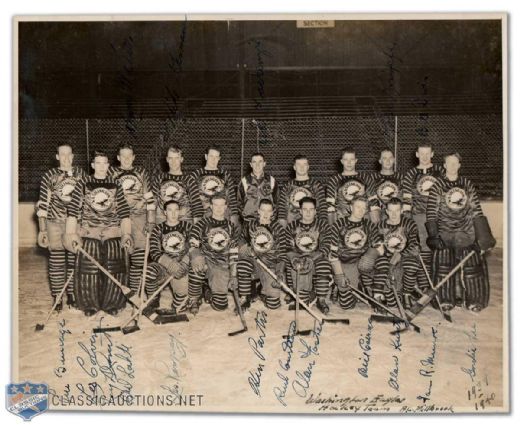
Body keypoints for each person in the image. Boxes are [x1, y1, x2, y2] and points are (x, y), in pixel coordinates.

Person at [63, 151, 132, 316]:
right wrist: (72, 234)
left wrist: (126, 234)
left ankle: (112, 303)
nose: (101, 167)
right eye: (98, 163)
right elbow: (73, 210)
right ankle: (89, 304)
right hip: (90, 232)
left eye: (104, 163)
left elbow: (124, 212)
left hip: (112, 232)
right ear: (93, 165)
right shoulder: (83, 183)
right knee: (89, 269)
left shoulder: (116, 184)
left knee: (115, 268)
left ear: (108, 165)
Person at [426, 153, 495, 312]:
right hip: (445, 232)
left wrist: (483, 236)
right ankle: (445, 299)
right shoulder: (438, 185)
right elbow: (431, 212)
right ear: (444, 165)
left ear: (459, 165)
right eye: (449, 163)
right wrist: (434, 235)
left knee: (472, 266)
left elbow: (476, 210)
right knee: (443, 265)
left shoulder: (466, 184)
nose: (452, 166)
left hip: (466, 232)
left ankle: (475, 299)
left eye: (455, 163)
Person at [36, 143, 85, 310]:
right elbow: (43, 204)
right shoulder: (49, 175)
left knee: (74, 259)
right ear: (57, 156)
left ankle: (71, 294)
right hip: (54, 222)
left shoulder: (80, 175)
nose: (65, 158)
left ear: (73, 156)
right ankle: (57, 296)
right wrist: (42, 229)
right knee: (56, 260)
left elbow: (86, 201)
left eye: (69, 154)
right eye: (62, 155)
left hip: (74, 223)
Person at [108, 142, 155, 293]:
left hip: (139, 217)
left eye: (129, 156)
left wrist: (151, 220)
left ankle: (136, 292)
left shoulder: (141, 172)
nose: (126, 159)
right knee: (117, 257)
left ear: (134, 157)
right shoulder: (111, 173)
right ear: (118, 157)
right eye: (123, 156)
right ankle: (116, 293)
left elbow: (150, 198)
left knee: (139, 258)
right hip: (118, 217)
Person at [402, 143, 445, 292]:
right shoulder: (411, 174)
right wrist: (407, 219)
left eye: (428, 153)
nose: (425, 157)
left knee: (442, 251)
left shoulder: (440, 171)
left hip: (439, 216)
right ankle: (425, 286)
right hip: (420, 216)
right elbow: (407, 199)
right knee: (424, 251)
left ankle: (443, 287)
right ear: (417, 155)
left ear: (432, 154)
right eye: (422, 153)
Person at [329, 197, 385, 310]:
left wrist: (369, 256)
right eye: (358, 207)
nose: (361, 211)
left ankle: (377, 295)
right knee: (347, 305)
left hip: (363, 261)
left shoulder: (369, 224)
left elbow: (381, 249)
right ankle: (354, 287)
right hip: (346, 263)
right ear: (351, 207)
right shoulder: (339, 224)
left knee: (382, 261)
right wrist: (339, 275)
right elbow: (332, 254)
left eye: (364, 208)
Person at [187, 194, 240, 313]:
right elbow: (192, 239)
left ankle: (207, 290)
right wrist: (196, 255)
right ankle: (194, 297)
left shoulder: (231, 226)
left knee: (220, 306)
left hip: (222, 265)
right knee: (196, 265)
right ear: (211, 206)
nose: (219, 208)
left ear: (226, 207)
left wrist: (233, 274)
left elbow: (233, 251)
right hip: (206, 261)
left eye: (222, 205)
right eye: (216, 205)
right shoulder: (203, 223)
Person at [282, 196, 331, 314]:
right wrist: (295, 258)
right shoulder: (291, 226)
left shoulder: (322, 225)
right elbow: (288, 248)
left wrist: (312, 257)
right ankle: (298, 294)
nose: (308, 212)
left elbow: (325, 246)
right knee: (291, 263)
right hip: (298, 258)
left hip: (316, 258)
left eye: (311, 209)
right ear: (300, 211)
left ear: (315, 211)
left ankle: (321, 299)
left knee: (324, 263)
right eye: (305, 209)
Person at [236, 199, 286, 310]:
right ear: (258, 211)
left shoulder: (279, 229)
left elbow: (282, 254)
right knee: (243, 263)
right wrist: (247, 248)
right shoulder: (250, 225)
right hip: (253, 262)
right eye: (263, 210)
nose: (265, 214)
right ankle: (244, 297)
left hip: (269, 265)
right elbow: (240, 242)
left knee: (273, 304)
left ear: (273, 212)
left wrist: (280, 272)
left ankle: (260, 290)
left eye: (269, 211)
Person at [145, 200, 191, 314]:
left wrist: (184, 264)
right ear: (165, 212)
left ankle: (180, 302)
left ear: (179, 211)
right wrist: (169, 263)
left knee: (180, 306)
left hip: (181, 266)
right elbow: (154, 252)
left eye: (176, 210)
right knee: (149, 271)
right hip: (164, 267)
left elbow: (194, 247)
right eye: (170, 210)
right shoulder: (158, 229)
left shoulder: (187, 226)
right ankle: (153, 300)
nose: (173, 213)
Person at [378, 197, 420, 309]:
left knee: (412, 265)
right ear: (386, 211)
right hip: (389, 259)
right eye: (391, 211)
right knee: (393, 304)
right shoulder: (381, 225)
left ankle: (407, 294)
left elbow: (414, 245)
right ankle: (390, 293)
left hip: (405, 256)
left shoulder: (410, 223)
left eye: (397, 210)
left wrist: (400, 255)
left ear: (402, 210)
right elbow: (378, 245)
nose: (394, 214)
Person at [190, 145, 240, 228]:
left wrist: (234, 218)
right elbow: (192, 199)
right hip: (203, 213)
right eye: (211, 156)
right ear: (206, 157)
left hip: (222, 213)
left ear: (219, 158)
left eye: (216, 157)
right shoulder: (196, 175)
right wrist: (196, 217)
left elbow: (232, 199)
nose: (213, 160)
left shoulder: (225, 174)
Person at [152, 145, 204, 224]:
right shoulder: (160, 178)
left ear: (181, 159)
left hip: (183, 221)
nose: (173, 162)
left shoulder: (189, 180)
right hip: (163, 221)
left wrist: (196, 228)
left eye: (176, 158)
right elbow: (152, 201)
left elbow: (197, 206)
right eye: (171, 158)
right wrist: (150, 222)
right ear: (167, 159)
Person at [326, 148, 373, 225]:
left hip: (363, 219)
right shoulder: (334, 180)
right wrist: (333, 228)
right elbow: (330, 206)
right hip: (342, 220)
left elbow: (373, 204)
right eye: (346, 159)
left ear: (356, 160)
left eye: (352, 159)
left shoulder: (365, 178)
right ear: (341, 161)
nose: (349, 162)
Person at [278, 154, 327, 227]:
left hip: (312, 229)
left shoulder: (316, 185)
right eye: (298, 164)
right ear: (294, 167)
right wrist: (284, 233)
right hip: (292, 228)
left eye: (304, 164)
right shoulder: (287, 186)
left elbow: (322, 211)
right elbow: (282, 214)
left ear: (308, 167)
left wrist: (321, 230)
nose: (302, 167)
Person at [367, 148, 405, 224]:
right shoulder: (372, 178)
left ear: (394, 160)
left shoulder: (401, 177)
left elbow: (402, 198)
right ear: (380, 161)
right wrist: (374, 210)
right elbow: (370, 198)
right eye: (384, 158)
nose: (388, 161)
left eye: (390, 158)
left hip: (395, 212)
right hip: (379, 213)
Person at [237, 152, 278, 220]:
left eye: (260, 162)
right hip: (249, 220)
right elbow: (239, 203)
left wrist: (272, 217)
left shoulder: (271, 180)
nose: (257, 165)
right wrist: (244, 216)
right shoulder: (244, 181)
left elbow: (276, 202)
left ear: (264, 163)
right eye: (254, 162)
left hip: (266, 221)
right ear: (251, 164)